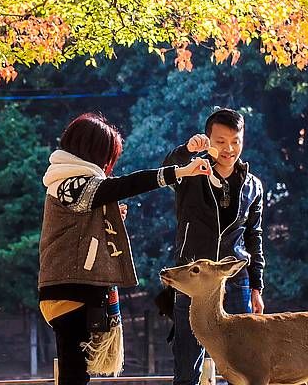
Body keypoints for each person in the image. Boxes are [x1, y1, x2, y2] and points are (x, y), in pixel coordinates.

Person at [38, 112, 212, 385]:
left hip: (68, 289)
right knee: (74, 374)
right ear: (92, 150)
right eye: (106, 155)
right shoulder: (70, 184)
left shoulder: (71, 183)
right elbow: (126, 184)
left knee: (76, 372)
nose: (108, 164)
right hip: (70, 290)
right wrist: (179, 172)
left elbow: (83, 221)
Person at [163, 108, 266, 385]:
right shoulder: (190, 173)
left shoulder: (253, 186)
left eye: (235, 141)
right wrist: (186, 151)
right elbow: (167, 169)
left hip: (235, 282)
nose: (229, 149)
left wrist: (256, 287)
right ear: (208, 140)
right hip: (192, 281)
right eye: (220, 142)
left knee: (242, 363)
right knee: (187, 361)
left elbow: (254, 238)